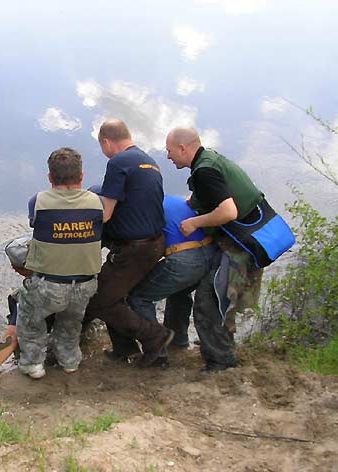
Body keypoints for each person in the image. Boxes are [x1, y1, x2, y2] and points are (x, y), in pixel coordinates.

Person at [165, 127, 264, 372]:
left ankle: (221, 361)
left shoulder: (205, 171)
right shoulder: (209, 159)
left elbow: (229, 211)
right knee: (203, 294)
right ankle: (196, 341)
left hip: (242, 247)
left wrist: (194, 222)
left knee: (209, 301)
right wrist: (193, 202)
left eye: (170, 151)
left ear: (182, 149)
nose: (168, 156)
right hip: (246, 240)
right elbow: (216, 194)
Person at [82, 120, 173, 367]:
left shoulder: (118, 162)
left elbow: (106, 214)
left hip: (135, 249)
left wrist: (79, 221)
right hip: (155, 243)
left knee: (99, 299)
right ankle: (124, 350)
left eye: (102, 147)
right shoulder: (149, 162)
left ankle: (155, 336)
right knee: (114, 294)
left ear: (106, 142)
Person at [16, 147, 103, 379]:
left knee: (29, 318)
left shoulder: (38, 201)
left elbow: (36, 223)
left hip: (49, 285)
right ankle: (69, 361)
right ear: (81, 176)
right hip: (86, 284)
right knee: (71, 323)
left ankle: (33, 364)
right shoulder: (96, 202)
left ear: (49, 177)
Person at [126, 195, 218, 366]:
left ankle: (157, 353)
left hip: (186, 260)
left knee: (138, 297)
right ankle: (178, 340)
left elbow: (146, 248)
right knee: (179, 291)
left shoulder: (143, 210)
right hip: (211, 253)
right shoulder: (170, 199)